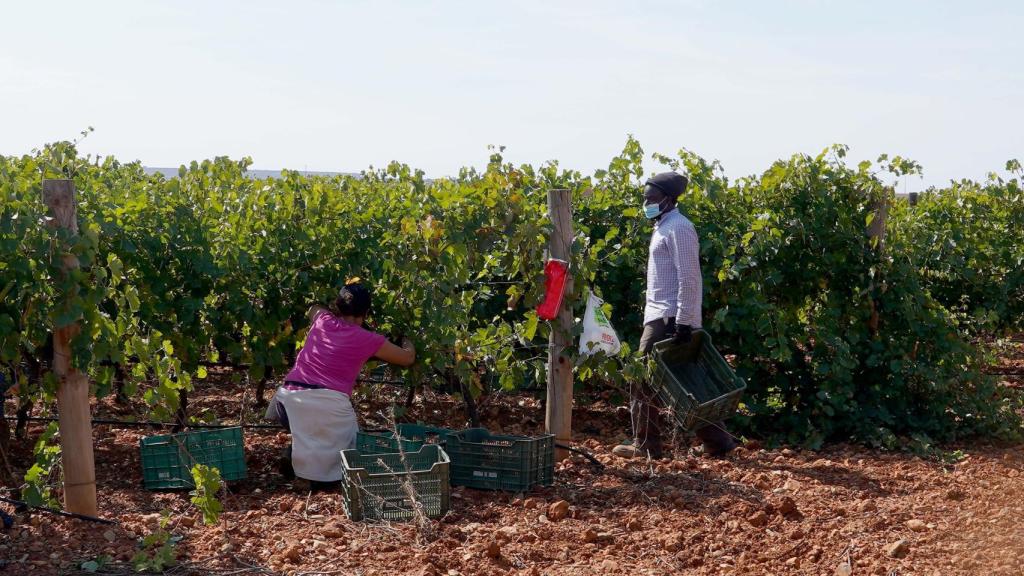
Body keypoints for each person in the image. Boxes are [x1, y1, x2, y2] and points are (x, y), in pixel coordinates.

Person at [613, 172, 737, 460]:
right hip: (661, 313)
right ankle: (718, 442)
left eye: (652, 199)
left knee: (641, 378)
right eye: (645, 198)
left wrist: (684, 321)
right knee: (678, 382)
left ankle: (646, 446)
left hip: (668, 316)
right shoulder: (663, 226)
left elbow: (690, 278)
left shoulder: (679, 228)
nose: (646, 203)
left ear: (669, 199)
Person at [265, 280, 415, 486]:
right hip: (328, 407)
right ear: (367, 311)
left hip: (286, 404)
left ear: (338, 306)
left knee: (309, 425)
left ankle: (294, 456)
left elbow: (313, 308)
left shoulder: (322, 320)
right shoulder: (369, 339)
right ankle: (313, 479)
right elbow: (407, 358)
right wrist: (407, 339)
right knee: (347, 448)